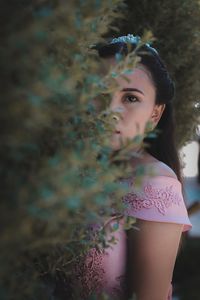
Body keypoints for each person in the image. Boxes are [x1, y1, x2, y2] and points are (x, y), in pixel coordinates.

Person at [72, 34, 192, 300]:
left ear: (155, 113)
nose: (110, 110)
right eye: (100, 94)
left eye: (130, 98)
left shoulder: (155, 182)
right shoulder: (69, 171)